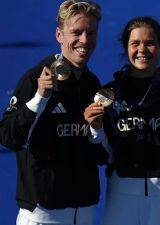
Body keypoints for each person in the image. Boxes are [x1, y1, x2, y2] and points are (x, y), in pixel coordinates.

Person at [0, 1, 106, 225]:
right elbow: (9, 137)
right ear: (59, 34)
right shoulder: (35, 79)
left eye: (91, 32)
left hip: (84, 212)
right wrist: (39, 99)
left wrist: (97, 129)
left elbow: (101, 156)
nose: (84, 40)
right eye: (76, 32)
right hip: (43, 215)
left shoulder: (92, 84)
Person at [83, 16, 160, 225]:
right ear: (126, 47)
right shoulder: (109, 94)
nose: (142, 49)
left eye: (150, 43)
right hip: (122, 195)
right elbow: (101, 153)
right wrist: (95, 129)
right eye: (135, 43)